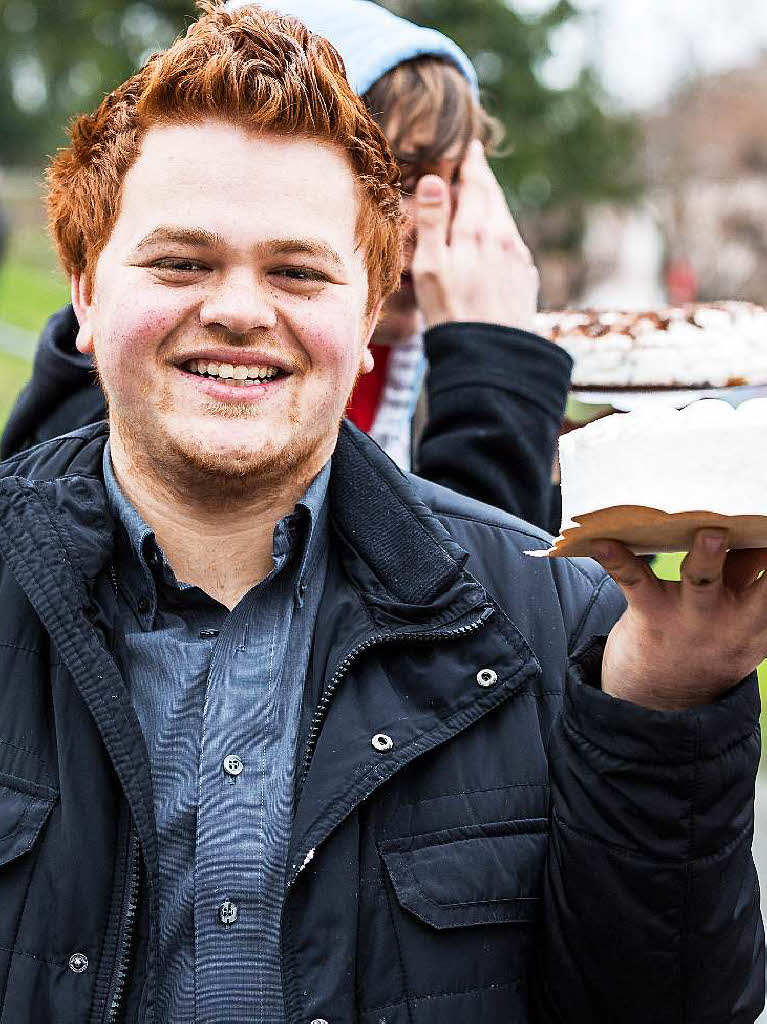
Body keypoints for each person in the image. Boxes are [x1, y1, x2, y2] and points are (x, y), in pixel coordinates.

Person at [0, 6, 762, 1023]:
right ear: (85, 293)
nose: (237, 307)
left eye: (297, 270)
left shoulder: (556, 616)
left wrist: (662, 714)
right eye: (181, 260)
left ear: (368, 315)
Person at [1, 0, 571, 533]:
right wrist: (495, 382)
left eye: (444, 184)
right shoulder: (130, 378)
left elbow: (519, 607)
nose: (419, 223)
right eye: (387, 179)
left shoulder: (425, 372)